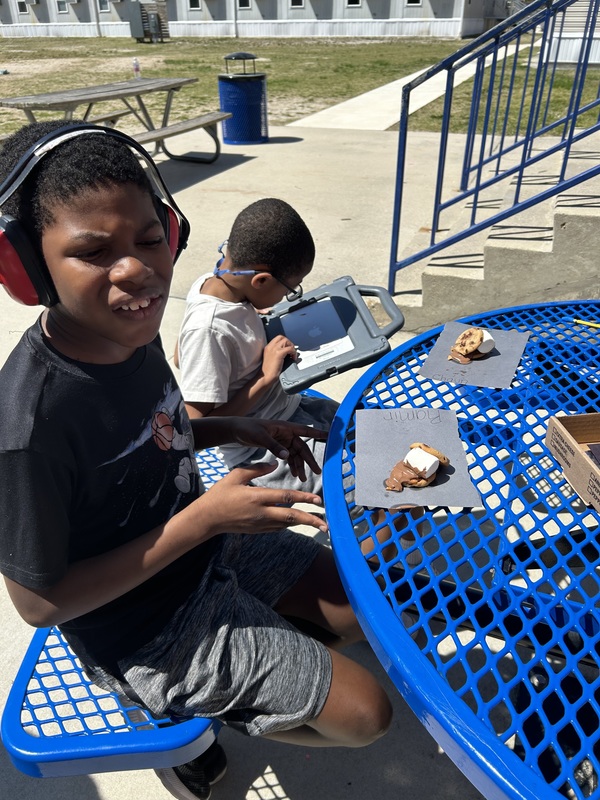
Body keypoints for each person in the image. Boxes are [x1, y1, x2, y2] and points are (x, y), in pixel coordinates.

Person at [0, 121, 392, 800]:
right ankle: (198, 704)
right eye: (93, 251)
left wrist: (237, 426)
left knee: (365, 611)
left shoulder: (131, 333)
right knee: (368, 715)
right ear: (24, 267)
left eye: (150, 240)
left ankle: (264, 660)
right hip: (139, 622)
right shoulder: (30, 426)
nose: (137, 270)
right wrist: (205, 520)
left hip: (209, 551)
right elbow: (39, 603)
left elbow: (164, 430)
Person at [175, 198, 339, 496]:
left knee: (370, 428)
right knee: (372, 497)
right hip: (262, 447)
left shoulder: (215, 283)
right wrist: (264, 376)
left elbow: (180, 354)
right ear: (261, 280)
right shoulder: (209, 328)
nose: (288, 296)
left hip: (290, 407)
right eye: (291, 288)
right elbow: (196, 426)